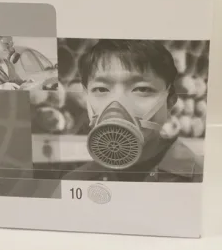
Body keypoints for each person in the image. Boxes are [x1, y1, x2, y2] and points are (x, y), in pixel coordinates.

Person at [63, 39, 203, 182]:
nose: (117, 104)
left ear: (170, 101)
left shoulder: (204, 179)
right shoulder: (76, 181)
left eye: (141, 89)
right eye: (101, 89)